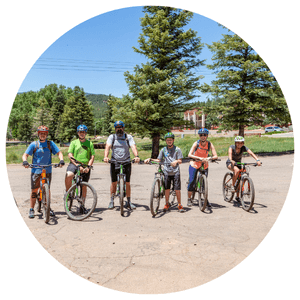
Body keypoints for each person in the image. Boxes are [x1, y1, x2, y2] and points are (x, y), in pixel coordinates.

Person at [22, 125, 65, 219]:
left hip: (47, 170)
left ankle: (47, 207)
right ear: (38, 134)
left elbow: (59, 153)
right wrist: (25, 161)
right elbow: (25, 155)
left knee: (47, 189)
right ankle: (31, 209)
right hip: (36, 170)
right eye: (41, 133)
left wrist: (61, 160)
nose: (43, 135)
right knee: (34, 190)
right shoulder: (34, 144)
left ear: (46, 135)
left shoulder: (50, 144)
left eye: (44, 134)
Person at [144, 132, 185, 213]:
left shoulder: (177, 149)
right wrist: (150, 159)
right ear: (166, 141)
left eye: (170, 140)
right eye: (167, 140)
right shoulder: (163, 150)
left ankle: (179, 204)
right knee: (167, 188)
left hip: (175, 171)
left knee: (177, 189)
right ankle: (167, 203)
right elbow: (159, 160)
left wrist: (176, 161)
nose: (169, 141)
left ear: (173, 140)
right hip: (166, 171)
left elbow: (180, 161)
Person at [103, 121, 140, 210]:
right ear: (115, 128)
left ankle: (129, 201)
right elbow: (107, 147)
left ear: (123, 128)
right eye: (117, 127)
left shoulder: (128, 137)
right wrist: (105, 157)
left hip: (126, 161)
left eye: (120, 127)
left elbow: (133, 147)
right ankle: (111, 201)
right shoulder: (112, 137)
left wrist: (136, 156)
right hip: (115, 162)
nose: (119, 129)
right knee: (113, 182)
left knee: (127, 182)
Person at [65, 125, 95, 213]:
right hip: (74, 164)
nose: (82, 134)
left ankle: (82, 205)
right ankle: (68, 192)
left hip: (85, 165)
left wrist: (88, 166)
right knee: (69, 175)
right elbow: (70, 155)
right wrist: (77, 165)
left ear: (85, 133)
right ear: (78, 133)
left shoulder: (90, 143)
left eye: (83, 132)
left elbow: (92, 156)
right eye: (80, 132)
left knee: (84, 185)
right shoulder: (74, 142)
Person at [187, 128, 218, 208]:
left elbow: (215, 155)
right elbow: (189, 155)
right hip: (194, 164)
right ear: (199, 136)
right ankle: (189, 199)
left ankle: (205, 199)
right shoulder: (196, 143)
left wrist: (209, 158)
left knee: (204, 184)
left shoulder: (209, 144)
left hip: (204, 165)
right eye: (201, 135)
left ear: (207, 136)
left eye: (204, 135)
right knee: (191, 181)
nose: (203, 136)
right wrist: (199, 158)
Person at [226, 135, 261, 202]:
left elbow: (251, 153)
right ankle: (233, 186)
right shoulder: (231, 147)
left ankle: (238, 196)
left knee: (240, 178)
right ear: (235, 143)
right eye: (238, 142)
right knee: (236, 170)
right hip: (230, 163)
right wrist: (231, 160)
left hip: (238, 163)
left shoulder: (243, 148)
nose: (239, 144)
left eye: (241, 143)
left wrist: (257, 160)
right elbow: (230, 154)